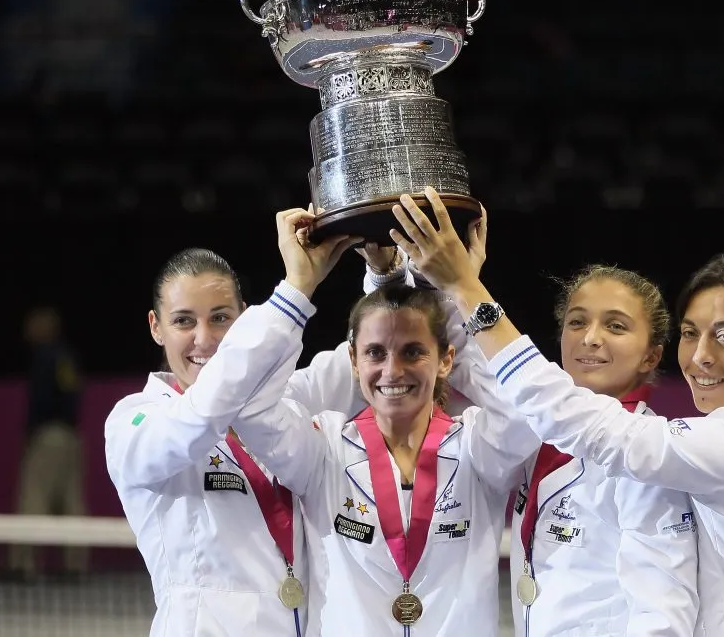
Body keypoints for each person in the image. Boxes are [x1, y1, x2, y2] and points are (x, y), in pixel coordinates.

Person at [391, 187, 724, 637]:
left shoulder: (716, 446)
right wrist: (425, 280)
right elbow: (489, 374)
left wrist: (467, 286)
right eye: (692, 334)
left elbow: (662, 617)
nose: (700, 357)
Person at [207, 208, 534, 636]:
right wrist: (298, 286)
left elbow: (528, 408)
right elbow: (246, 403)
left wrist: (460, 291)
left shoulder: (477, 446)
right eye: (376, 353)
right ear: (353, 362)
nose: (393, 370)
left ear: (447, 359)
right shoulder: (324, 450)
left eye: (414, 351)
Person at [400, 261, 699, 635]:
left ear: (651, 356)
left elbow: (664, 615)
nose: (590, 338)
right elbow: (470, 356)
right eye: (576, 322)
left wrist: (461, 281)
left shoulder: (648, 456)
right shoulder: (540, 431)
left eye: (616, 326)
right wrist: (424, 276)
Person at [104, 216, 360, 637]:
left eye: (221, 318)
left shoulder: (282, 403)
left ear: (245, 319)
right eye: (184, 321)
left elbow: (368, 362)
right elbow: (202, 416)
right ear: (156, 327)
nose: (204, 339)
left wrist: (384, 270)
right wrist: (295, 290)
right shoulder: (136, 422)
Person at [9, 306, 86, 581]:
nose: (27, 330)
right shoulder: (65, 357)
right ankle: (75, 566)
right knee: (70, 502)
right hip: (70, 436)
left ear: (45, 328)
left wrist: (32, 432)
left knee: (34, 498)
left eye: (33, 324)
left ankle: (23, 565)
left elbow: (41, 401)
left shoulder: (44, 357)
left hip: (48, 435)